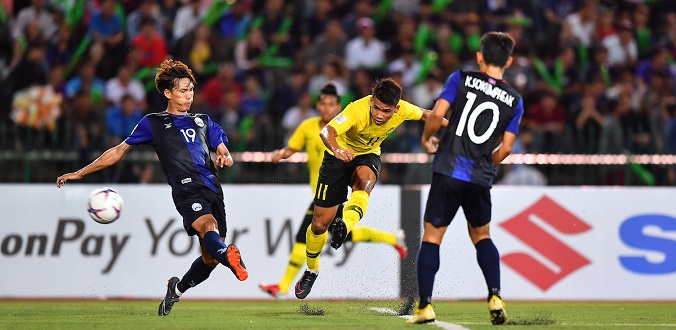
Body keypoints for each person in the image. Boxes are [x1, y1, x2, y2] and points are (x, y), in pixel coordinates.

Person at [55, 59, 248, 316]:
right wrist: (81, 172)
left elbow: (222, 147)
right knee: (207, 226)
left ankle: (177, 289)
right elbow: (118, 151)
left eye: (191, 90)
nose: (188, 96)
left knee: (209, 259)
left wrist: (225, 155)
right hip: (186, 189)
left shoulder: (203, 120)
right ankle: (230, 257)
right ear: (168, 93)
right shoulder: (153, 123)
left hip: (213, 188)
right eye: (182, 90)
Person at [294, 78, 447, 299]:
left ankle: (344, 225)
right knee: (319, 224)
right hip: (337, 157)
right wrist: (337, 150)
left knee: (364, 183)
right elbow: (327, 132)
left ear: (396, 108)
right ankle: (311, 270)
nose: (378, 114)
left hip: (367, 155)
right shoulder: (357, 109)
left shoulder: (404, 109)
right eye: (375, 107)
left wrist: (453, 126)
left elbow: (427, 115)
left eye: (385, 110)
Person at [408, 32, 524, 325]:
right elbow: (507, 147)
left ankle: (425, 305)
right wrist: (486, 163)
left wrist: (427, 138)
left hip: (448, 168)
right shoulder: (515, 99)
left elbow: (437, 114)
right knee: (482, 236)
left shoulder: (461, 78)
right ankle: (495, 296)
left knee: (433, 237)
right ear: (509, 60)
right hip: (479, 176)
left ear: (480, 56)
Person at [258, 84, 407, 299]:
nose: (327, 108)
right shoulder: (308, 127)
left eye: (331, 105)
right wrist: (280, 153)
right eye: (323, 104)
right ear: (318, 106)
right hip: (325, 189)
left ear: (338, 107)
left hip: (342, 178)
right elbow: (291, 149)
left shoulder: (350, 122)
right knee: (343, 234)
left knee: (307, 233)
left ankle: (283, 286)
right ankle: (393, 239)